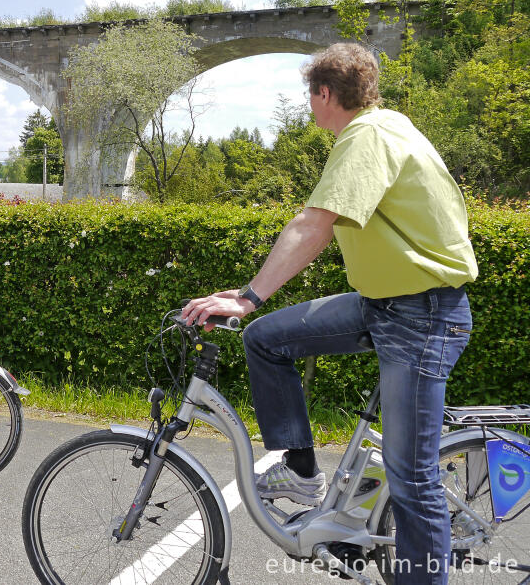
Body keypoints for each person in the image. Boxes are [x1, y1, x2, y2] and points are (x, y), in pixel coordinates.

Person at [182, 42, 477, 585]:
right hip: (383, 304)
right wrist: (253, 303)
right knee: (267, 339)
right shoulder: (387, 126)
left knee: (412, 481)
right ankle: (301, 474)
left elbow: (314, 223)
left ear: (324, 93)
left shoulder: (367, 137)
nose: (309, 107)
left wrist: (248, 297)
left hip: (422, 314)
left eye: (309, 97)